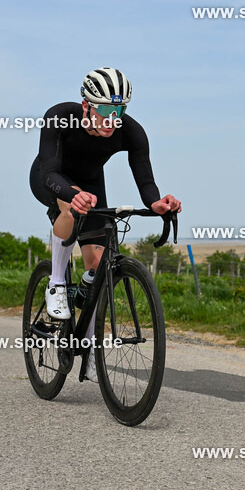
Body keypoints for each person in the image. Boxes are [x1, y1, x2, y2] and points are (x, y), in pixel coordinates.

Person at [29, 67, 181, 380]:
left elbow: (145, 177)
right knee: (69, 210)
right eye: (106, 111)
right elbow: (49, 172)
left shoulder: (131, 131)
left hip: (91, 183)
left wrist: (156, 203)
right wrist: (71, 195)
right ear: (86, 106)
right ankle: (57, 284)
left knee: (98, 266)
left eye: (120, 110)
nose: (113, 119)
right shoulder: (61, 117)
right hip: (52, 178)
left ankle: (88, 344)